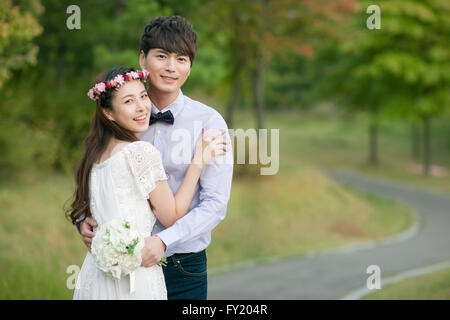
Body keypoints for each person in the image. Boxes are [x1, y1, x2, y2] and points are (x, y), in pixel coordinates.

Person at [78, 16, 234, 300]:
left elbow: (215, 204)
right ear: (143, 59)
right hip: (124, 267)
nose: (171, 67)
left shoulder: (210, 122)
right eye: (161, 56)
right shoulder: (123, 115)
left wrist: (163, 241)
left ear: (190, 65)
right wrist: (82, 219)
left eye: (182, 59)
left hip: (183, 266)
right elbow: (96, 173)